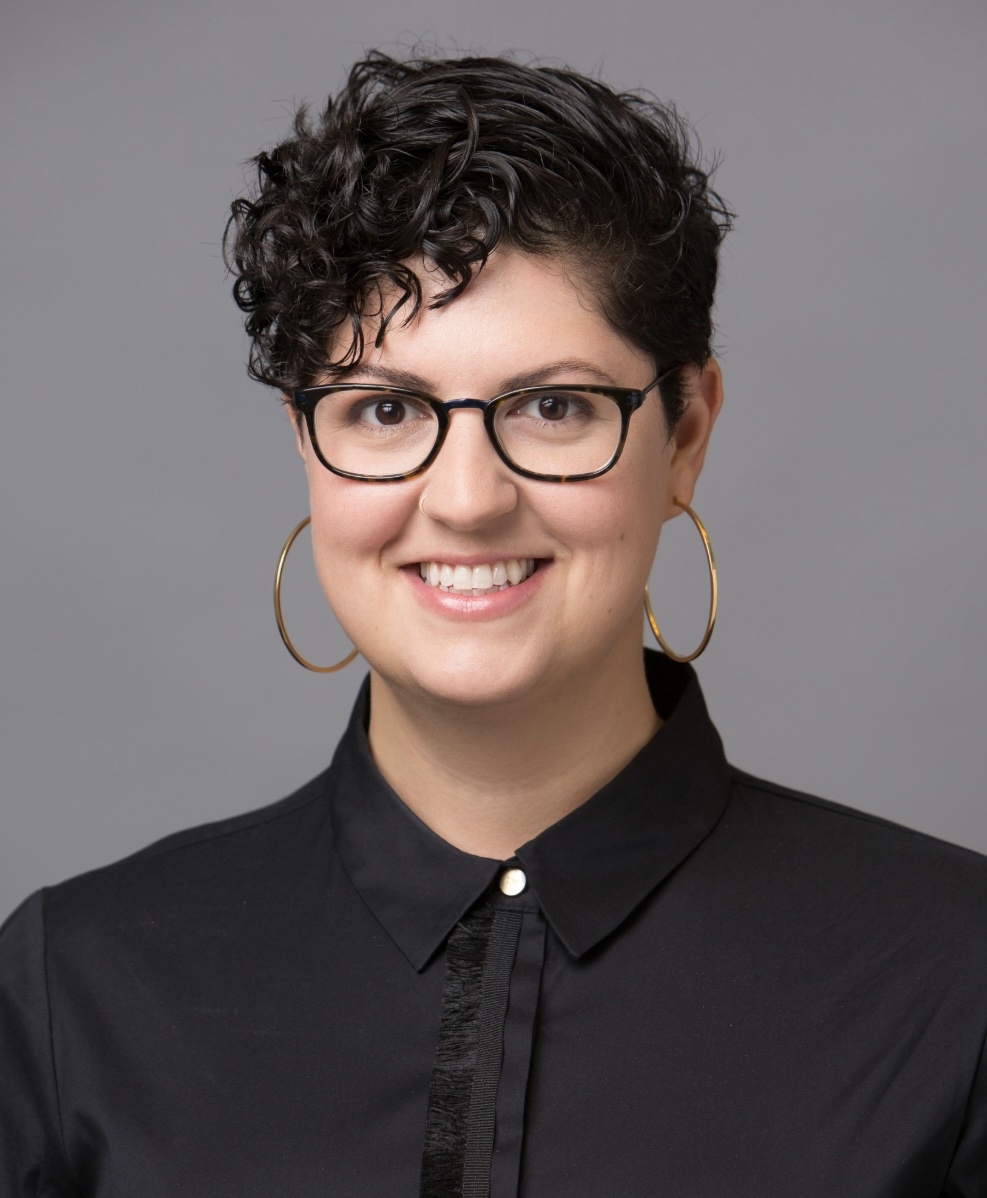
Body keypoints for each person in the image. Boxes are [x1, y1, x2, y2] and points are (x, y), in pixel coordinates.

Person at [1, 50, 985, 1198]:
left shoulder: (957, 985)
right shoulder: (75, 989)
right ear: (306, 445)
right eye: (383, 409)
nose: (467, 498)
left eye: (555, 406)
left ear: (689, 433)